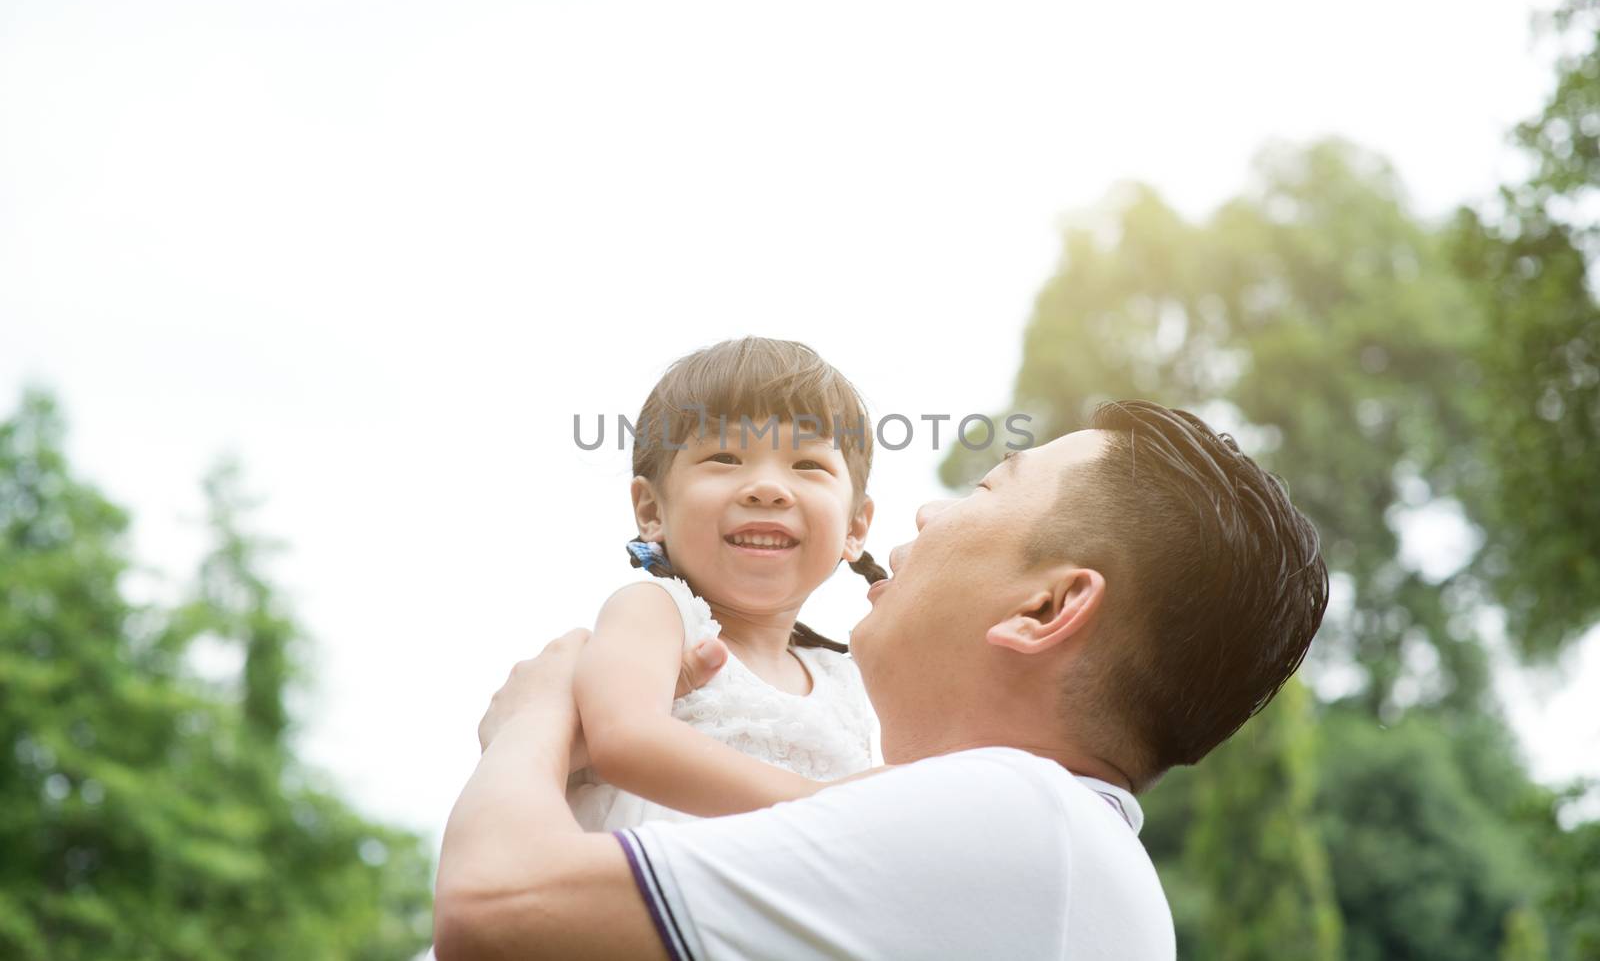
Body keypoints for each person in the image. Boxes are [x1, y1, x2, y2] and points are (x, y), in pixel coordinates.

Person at [435, 400, 1330, 960]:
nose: (928, 511)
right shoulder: (1034, 852)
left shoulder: (1019, 817)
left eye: (984, 489)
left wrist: (536, 714)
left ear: (1047, 607)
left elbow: (492, 909)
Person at [566, 335, 889, 830]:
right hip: (650, 892)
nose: (767, 488)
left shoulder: (844, 678)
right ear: (652, 511)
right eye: (724, 459)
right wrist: (820, 803)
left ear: (855, 528)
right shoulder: (657, 611)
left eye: (808, 465)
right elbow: (624, 738)